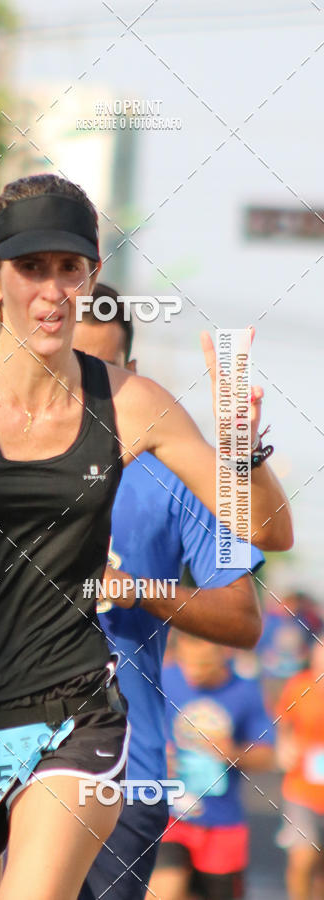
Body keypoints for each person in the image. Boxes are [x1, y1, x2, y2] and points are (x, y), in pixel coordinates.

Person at [0, 173, 293, 900]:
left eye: (69, 268)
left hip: (70, 709)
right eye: (31, 267)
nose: (52, 290)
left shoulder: (131, 402)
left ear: (91, 276)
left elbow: (269, 530)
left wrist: (241, 448)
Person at [73, 283, 266, 900]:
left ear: (132, 374)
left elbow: (243, 617)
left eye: (102, 371)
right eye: (67, 366)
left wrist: (140, 591)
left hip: (124, 776)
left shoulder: (174, 474)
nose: (82, 387)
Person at [149, 632, 274, 900]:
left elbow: (267, 756)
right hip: (170, 815)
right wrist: (154, 757)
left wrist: (234, 753)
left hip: (223, 822)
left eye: (204, 665)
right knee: (167, 889)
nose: (194, 672)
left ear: (226, 654)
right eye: (188, 663)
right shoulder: (163, 679)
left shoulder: (246, 691)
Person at [275, 631, 324, 900]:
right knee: (303, 859)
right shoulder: (298, 687)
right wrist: (284, 747)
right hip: (302, 789)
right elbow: (282, 724)